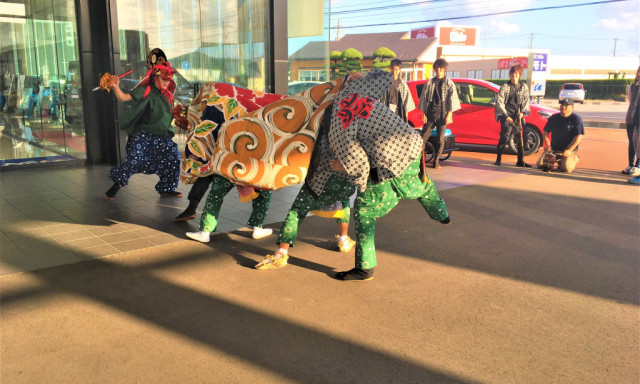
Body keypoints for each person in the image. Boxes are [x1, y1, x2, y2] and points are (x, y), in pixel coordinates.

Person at [105, 48, 182, 199]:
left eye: (169, 79)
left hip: (163, 136)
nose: (167, 82)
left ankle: (166, 188)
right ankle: (116, 185)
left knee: (173, 159)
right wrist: (115, 87)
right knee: (133, 161)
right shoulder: (147, 90)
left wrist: (179, 115)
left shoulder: (169, 93)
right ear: (156, 77)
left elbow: (165, 113)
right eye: (164, 79)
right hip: (146, 135)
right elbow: (123, 98)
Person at [417, 58, 461, 169]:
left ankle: (436, 160)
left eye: (441, 68)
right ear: (435, 69)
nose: (439, 70)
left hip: (443, 114)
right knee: (423, 138)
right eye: (437, 68)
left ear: (444, 69)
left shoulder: (449, 83)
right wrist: (423, 114)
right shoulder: (429, 83)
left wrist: (449, 114)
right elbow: (423, 98)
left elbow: (453, 99)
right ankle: (419, 160)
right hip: (430, 113)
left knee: (440, 139)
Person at [494, 64, 531, 167]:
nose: (514, 76)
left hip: (518, 115)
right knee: (505, 136)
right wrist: (506, 116)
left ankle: (520, 160)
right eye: (512, 74)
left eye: (516, 74)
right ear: (509, 75)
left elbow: (526, 101)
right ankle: (498, 158)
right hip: (506, 114)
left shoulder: (523, 87)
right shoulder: (505, 87)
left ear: (519, 75)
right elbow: (500, 102)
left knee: (521, 137)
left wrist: (523, 112)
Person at [536, 98, 584, 173]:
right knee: (540, 165)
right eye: (562, 105)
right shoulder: (554, 117)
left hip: (568, 150)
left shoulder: (576, 119)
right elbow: (545, 132)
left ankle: (574, 158)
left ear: (572, 107)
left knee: (565, 169)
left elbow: (579, 136)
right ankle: (557, 160)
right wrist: (548, 145)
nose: (563, 107)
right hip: (554, 148)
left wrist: (570, 150)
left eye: (566, 105)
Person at [381, 59, 415, 123]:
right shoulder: (384, 83)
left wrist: (406, 115)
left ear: (399, 70)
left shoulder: (403, 84)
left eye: (396, 69)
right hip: (386, 111)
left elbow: (406, 100)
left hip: (399, 112)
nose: (394, 72)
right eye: (392, 69)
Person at [622, 66, 640, 176]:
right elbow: (631, 101)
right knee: (632, 143)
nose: (639, 74)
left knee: (639, 143)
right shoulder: (632, 87)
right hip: (630, 119)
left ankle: (638, 166)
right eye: (639, 72)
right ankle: (630, 164)